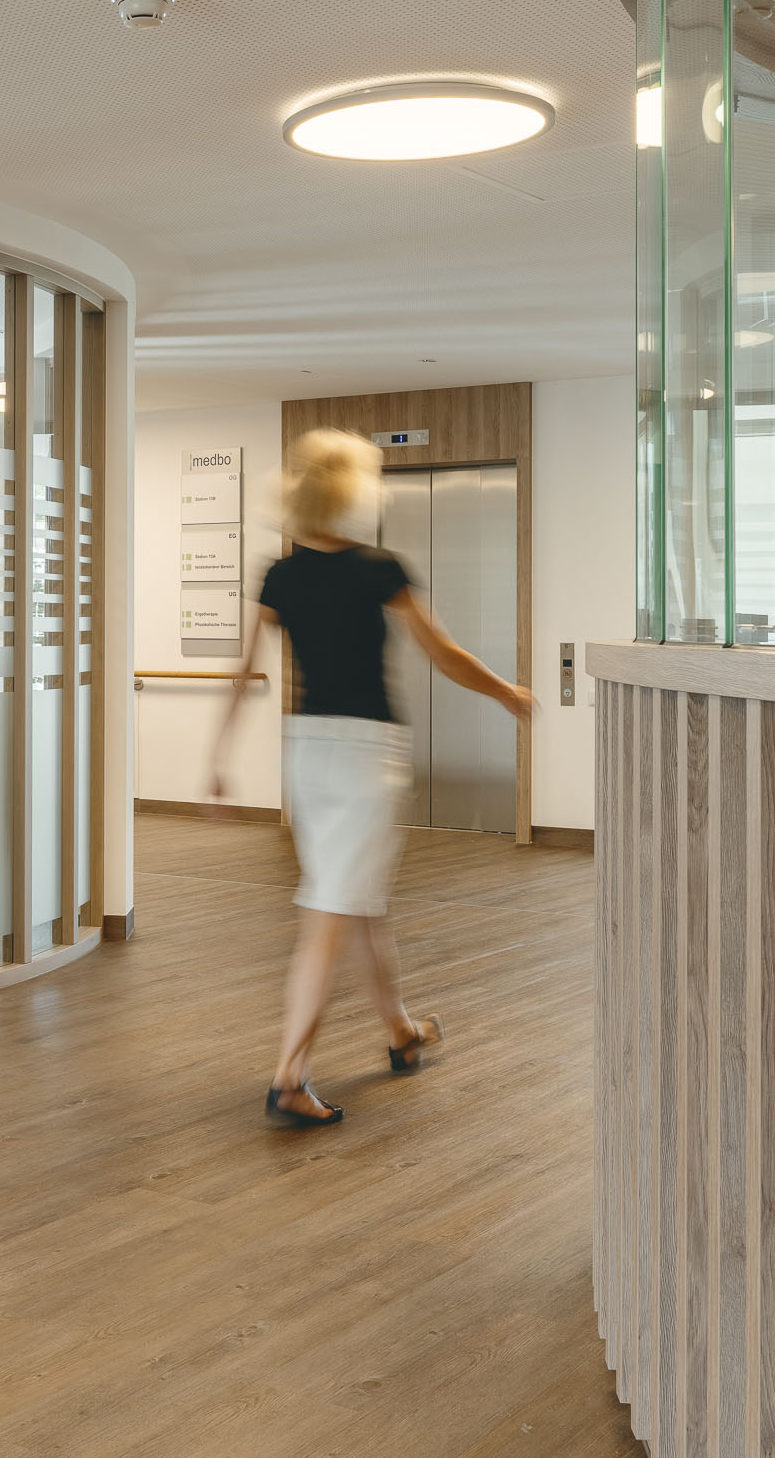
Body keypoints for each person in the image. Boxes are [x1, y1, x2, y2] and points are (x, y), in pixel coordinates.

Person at [209, 429, 534, 1127]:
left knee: (358, 900)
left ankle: (402, 1031)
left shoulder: (279, 574)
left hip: (306, 751)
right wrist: (506, 691)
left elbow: (244, 670)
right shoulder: (380, 567)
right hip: (365, 755)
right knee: (331, 910)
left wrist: (219, 757)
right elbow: (443, 652)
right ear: (354, 491)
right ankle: (289, 1076)